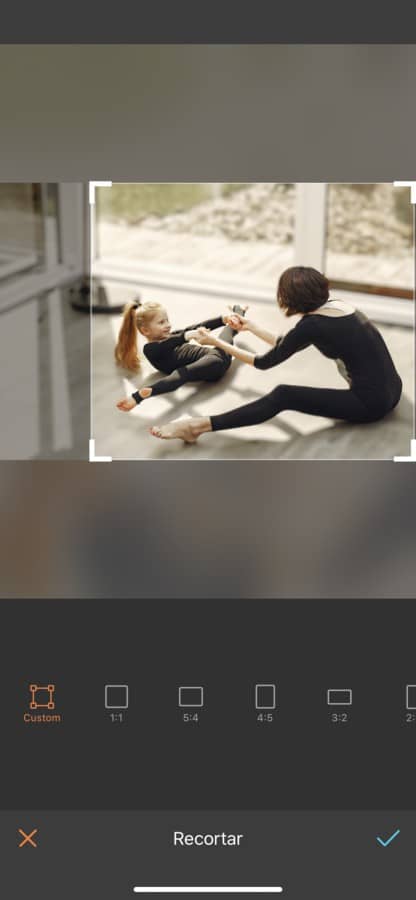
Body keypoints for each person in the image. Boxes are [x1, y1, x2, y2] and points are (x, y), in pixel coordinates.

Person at [149, 266, 402, 444]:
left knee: (284, 395)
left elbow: (263, 363)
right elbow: (288, 345)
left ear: (289, 299)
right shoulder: (339, 307)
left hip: (370, 404)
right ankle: (196, 426)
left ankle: (196, 426)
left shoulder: (312, 325)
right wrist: (251, 327)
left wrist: (215, 341)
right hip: (393, 390)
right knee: (288, 392)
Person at [115, 300, 246, 411]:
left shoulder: (173, 335)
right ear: (145, 330)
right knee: (181, 374)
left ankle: (237, 313)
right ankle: (140, 396)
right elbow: (167, 344)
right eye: (161, 322)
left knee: (229, 331)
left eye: (167, 321)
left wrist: (222, 319)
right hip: (210, 365)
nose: (168, 325)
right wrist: (188, 335)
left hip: (218, 356)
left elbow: (196, 327)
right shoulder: (150, 349)